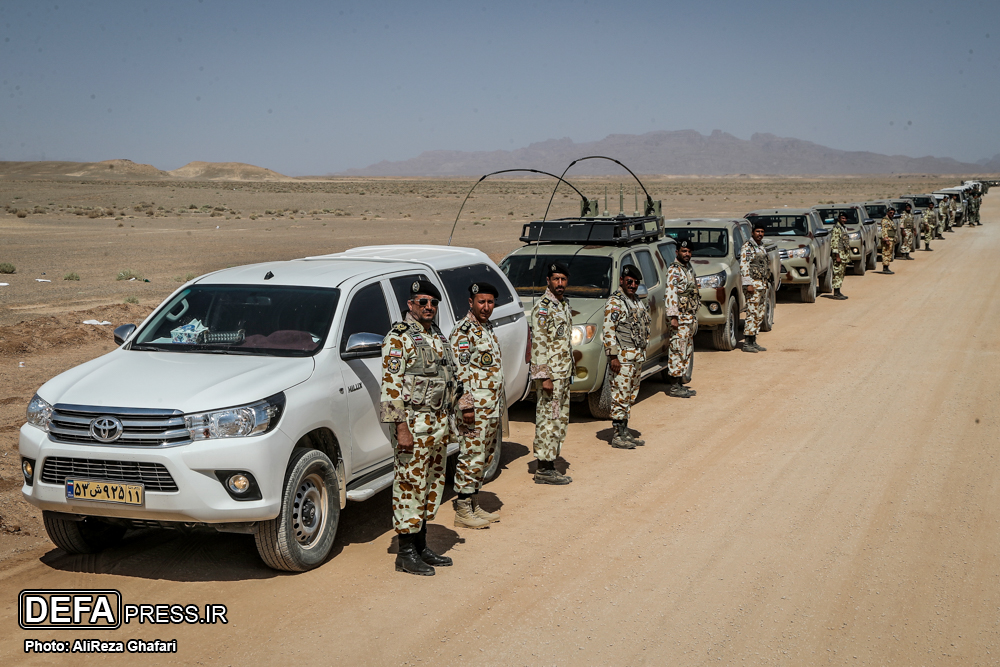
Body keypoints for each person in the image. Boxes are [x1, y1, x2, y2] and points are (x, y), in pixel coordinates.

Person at [379, 280, 459, 575]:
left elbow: (449, 377)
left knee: (431, 485)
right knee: (410, 485)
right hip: (412, 425)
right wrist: (401, 429)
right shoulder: (398, 338)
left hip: (436, 425)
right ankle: (406, 553)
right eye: (423, 302)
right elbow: (391, 388)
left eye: (433, 303)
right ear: (410, 304)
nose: (429, 307)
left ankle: (422, 545)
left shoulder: (436, 334)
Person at [450, 281, 505, 529]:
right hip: (474, 410)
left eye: (490, 302)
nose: (486, 307)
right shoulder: (463, 332)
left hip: (490, 408)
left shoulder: (486, 328)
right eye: (481, 302)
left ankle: (474, 503)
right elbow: (460, 375)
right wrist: (467, 406)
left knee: (483, 457)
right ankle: (462, 510)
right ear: (470, 302)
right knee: (471, 455)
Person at [530, 261, 574, 485]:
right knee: (548, 418)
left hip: (562, 375)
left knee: (559, 419)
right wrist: (544, 376)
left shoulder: (563, 304)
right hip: (551, 378)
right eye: (556, 279)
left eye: (563, 279)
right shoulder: (544, 308)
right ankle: (544, 467)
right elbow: (539, 343)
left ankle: (549, 462)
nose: (560, 283)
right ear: (548, 281)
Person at [601, 264, 651, 449]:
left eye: (636, 283)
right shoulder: (615, 302)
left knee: (630, 395)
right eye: (629, 282)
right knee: (620, 396)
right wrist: (613, 357)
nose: (632, 285)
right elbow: (608, 331)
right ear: (621, 280)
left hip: (635, 357)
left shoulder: (636, 301)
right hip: (622, 358)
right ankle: (617, 434)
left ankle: (625, 430)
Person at [664, 240, 700, 397]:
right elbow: (671, 293)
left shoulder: (688, 268)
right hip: (679, 317)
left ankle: (680, 383)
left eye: (689, 251)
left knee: (686, 349)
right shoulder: (674, 270)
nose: (687, 254)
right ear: (677, 252)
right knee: (677, 349)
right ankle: (674, 386)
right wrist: (673, 317)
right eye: (684, 251)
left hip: (688, 316)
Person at [739, 221, 771, 349]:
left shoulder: (761, 246)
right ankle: (747, 341)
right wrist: (748, 284)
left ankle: (753, 340)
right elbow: (744, 266)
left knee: (760, 312)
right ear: (752, 233)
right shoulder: (748, 247)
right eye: (757, 231)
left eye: (762, 232)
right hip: (753, 284)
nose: (760, 234)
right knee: (752, 312)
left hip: (762, 284)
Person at [829, 211, 851, 299]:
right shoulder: (836, 228)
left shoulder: (843, 228)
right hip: (839, 254)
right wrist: (837, 256)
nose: (844, 220)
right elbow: (834, 243)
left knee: (841, 273)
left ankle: (838, 291)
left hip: (844, 254)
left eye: (845, 218)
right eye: (842, 218)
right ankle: (836, 292)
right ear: (839, 218)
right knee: (837, 273)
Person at [880, 206, 897, 274]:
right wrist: (886, 239)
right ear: (887, 212)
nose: (892, 214)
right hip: (888, 239)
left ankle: (887, 267)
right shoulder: (885, 221)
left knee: (889, 253)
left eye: (893, 213)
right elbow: (884, 230)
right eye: (891, 213)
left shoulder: (890, 220)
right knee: (886, 253)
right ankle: (885, 267)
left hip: (891, 239)